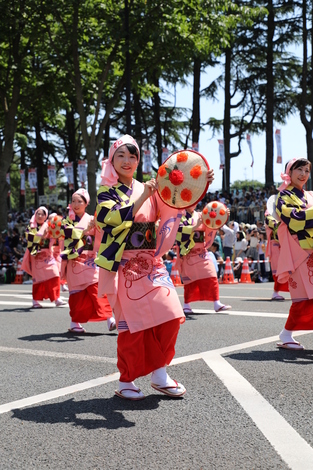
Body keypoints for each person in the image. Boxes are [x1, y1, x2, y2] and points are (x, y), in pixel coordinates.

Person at [95, 134, 214, 400]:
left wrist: (198, 183)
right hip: (124, 265)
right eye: (121, 156)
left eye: (132, 156)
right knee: (132, 327)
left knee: (171, 314)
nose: (127, 161)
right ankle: (126, 380)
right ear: (112, 160)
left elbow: (174, 203)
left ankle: (159, 374)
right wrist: (143, 197)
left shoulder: (149, 187)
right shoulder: (107, 191)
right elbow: (109, 219)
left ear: (139, 160)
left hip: (151, 263)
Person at [60, 188, 115, 334]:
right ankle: (74, 323)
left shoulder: (92, 219)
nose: (76, 204)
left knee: (97, 288)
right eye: (73, 201)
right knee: (77, 294)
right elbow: (68, 234)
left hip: (90, 260)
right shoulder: (66, 221)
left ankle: (110, 318)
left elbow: (102, 234)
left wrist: (96, 227)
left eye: (80, 201)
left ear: (86, 203)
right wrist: (85, 231)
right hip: (74, 261)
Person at [275, 158, 313, 350]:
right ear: (289, 172)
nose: (304, 174)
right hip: (298, 255)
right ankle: (286, 333)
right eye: (299, 169)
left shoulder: (309, 196)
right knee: (303, 299)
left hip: (310, 252)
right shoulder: (283, 196)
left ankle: (287, 333)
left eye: (307, 170)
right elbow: (294, 220)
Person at [175, 204, 231, 314]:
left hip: (201, 251)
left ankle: (216, 303)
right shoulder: (179, 215)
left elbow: (212, 224)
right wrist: (196, 226)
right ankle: (186, 304)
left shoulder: (201, 215)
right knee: (190, 280)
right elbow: (178, 232)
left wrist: (222, 215)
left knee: (211, 274)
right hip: (188, 252)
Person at [21, 206, 67, 308]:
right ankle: (35, 300)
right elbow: (32, 239)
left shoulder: (48, 226)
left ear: (45, 216)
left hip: (48, 255)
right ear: (35, 214)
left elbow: (56, 236)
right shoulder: (30, 227)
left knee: (55, 274)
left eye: (42, 214)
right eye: (38, 214)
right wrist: (43, 232)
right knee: (38, 279)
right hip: (36, 256)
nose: (40, 216)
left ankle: (57, 298)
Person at [265, 210, 289, 301]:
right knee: (280, 269)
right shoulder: (269, 216)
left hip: (281, 245)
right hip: (275, 245)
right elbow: (274, 224)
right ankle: (275, 292)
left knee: (287, 268)